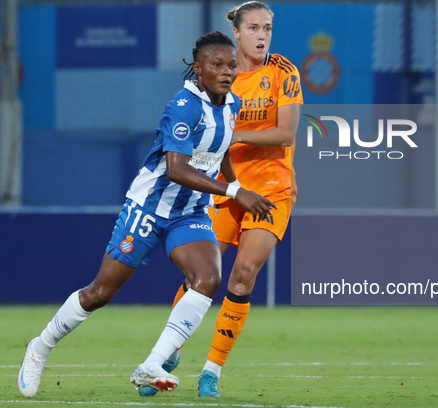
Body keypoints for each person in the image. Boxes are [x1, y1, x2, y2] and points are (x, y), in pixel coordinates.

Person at [17, 31, 277, 399]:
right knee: (100, 292)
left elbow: (221, 153)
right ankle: (40, 347)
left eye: (231, 64)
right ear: (198, 69)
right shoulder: (183, 106)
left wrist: (234, 191)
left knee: (207, 276)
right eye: (216, 65)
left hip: (190, 212)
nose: (226, 71)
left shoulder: (232, 105)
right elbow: (176, 169)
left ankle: (152, 364)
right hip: (149, 208)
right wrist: (236, 191)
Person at [138, 0, 303, 398]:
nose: (262, 35)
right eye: (254, 28)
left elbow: (286, 133)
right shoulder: (217, 77)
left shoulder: (284, 72)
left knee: (243, 274)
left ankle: (211, 371)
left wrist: (232, 133)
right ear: (237, 33)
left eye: (268, 28)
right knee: (198, 277)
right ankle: (166, 353)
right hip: (225, 190)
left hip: (271, 190)